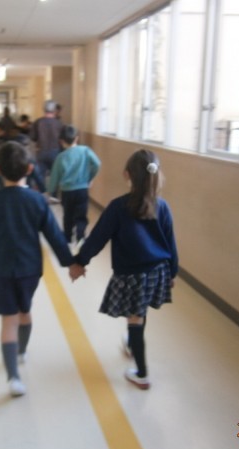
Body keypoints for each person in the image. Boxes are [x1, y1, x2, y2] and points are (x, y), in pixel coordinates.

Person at [0, 141, 74, 397]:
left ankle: (13, 377)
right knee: (25, 312)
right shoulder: (37, 201)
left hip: (1, 270)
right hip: (29, 270)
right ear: (29, 169)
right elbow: (54, 235)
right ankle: (21, 351)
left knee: (8, 320)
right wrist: (71, 263)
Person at [69, 149, 178, 390]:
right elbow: (171, 243)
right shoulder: (162, 206)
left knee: (135, 319)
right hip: (157, 271)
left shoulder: (118, 207)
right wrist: (172, 272)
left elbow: (97, 238)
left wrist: (80, 262)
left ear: (127, 175)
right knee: (140, 311)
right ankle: (130, 346)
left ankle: (142, 373)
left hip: (132, 275)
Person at [47, 125, 101, 247]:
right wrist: (90, 178)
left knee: (68, 215)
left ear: (61, 141)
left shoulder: (60, 157)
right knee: (81, 215)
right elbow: (97, 164)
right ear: (77, 138)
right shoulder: (85, 150)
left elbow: (55, 176)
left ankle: (67, 237)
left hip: (67, 192)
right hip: (82, 190)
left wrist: (50, 191)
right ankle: (80, 237)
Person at [30, 100, 63, 192]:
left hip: (41, 151)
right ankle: (53, 195)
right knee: (55, 176)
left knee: (40, 176)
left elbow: (33, 137)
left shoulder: (38, 122)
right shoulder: (59, 123)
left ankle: (41, 194)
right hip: (55, 152)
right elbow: (62, 139)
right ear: (54, 110)